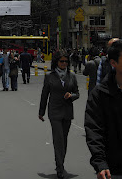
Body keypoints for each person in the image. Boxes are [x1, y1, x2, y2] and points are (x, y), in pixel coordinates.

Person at [85, 39, 122, 179]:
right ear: (113, 63)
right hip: (114, 171)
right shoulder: (100, 95)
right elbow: (94, 131)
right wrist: (100, 163)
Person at [39, 51, 79, 179]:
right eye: (61, 61)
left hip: (67, 112)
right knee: (58, 140)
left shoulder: (72, 76)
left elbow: (77, 93)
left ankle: (60, 163)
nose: (64, 64)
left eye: (66, 62)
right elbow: (44, 95)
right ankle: (60, 168)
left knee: (64, 140)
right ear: (56, 62)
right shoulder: (49, 76)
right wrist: (41, 112)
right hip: (54, 112)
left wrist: (71, 96)